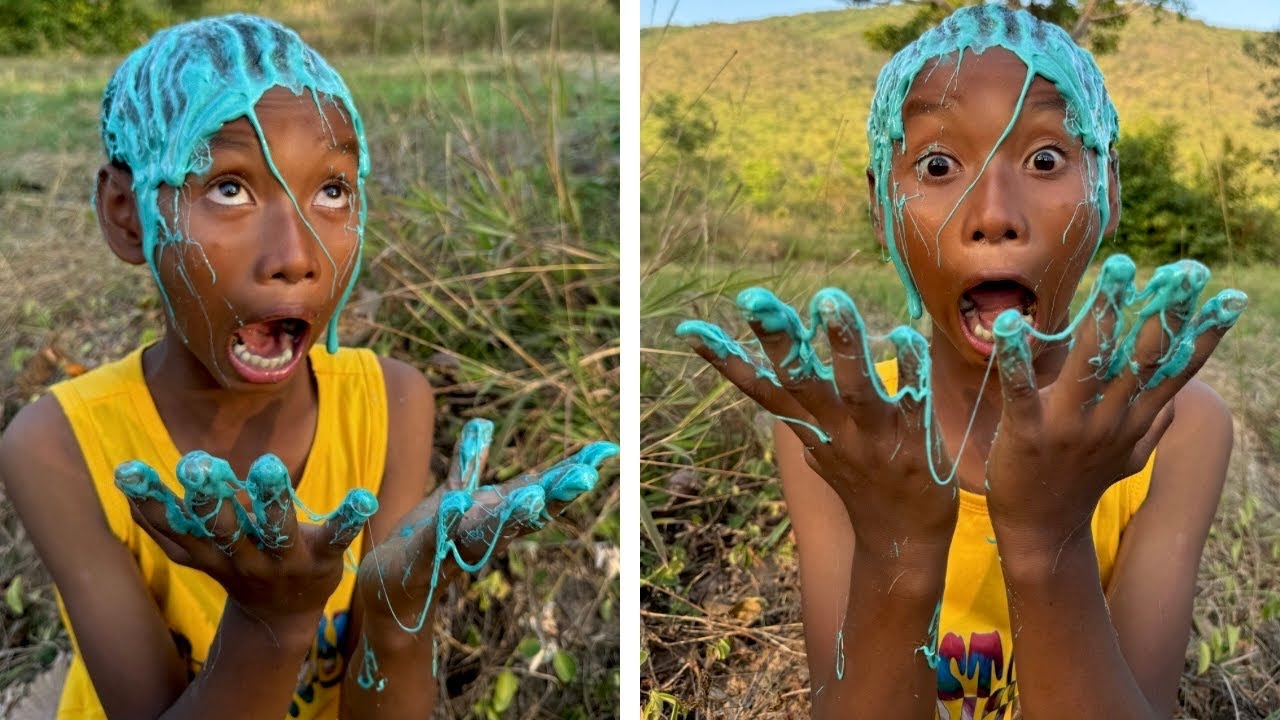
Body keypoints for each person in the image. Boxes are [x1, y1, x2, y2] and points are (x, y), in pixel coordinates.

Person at [0, 14, 616, 720]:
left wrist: (397, 609)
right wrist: (272, 622)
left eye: (331, 191)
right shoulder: (59, 448)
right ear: (125, 213)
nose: (295, 253)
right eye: (229, 187)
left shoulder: (392, 404)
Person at [678, 5, 1246, 719]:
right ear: (882, 206)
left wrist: (1049, 540)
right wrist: (900, 551)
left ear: (1109, 189)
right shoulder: (837, 435)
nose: (994, 213)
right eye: (938, 165)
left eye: (1046, 159)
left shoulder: (1175, 429)